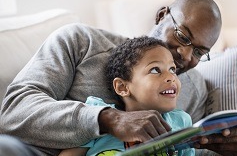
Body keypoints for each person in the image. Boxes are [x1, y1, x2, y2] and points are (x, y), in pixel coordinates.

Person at [0, 0, 237, 156]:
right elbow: (13, 111)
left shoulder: (192, 86)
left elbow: (185, 149)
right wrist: (108, 119)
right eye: (183, 36)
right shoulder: (82, 41)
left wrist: (229, 149)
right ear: (162, 16)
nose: (185, 55)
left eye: (199, 52)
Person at [59, 36, 195, 156]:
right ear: (122, 87)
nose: (171, 77)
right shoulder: (100, 118)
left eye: (172, 69)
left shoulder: (181, 122)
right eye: (155, 70)